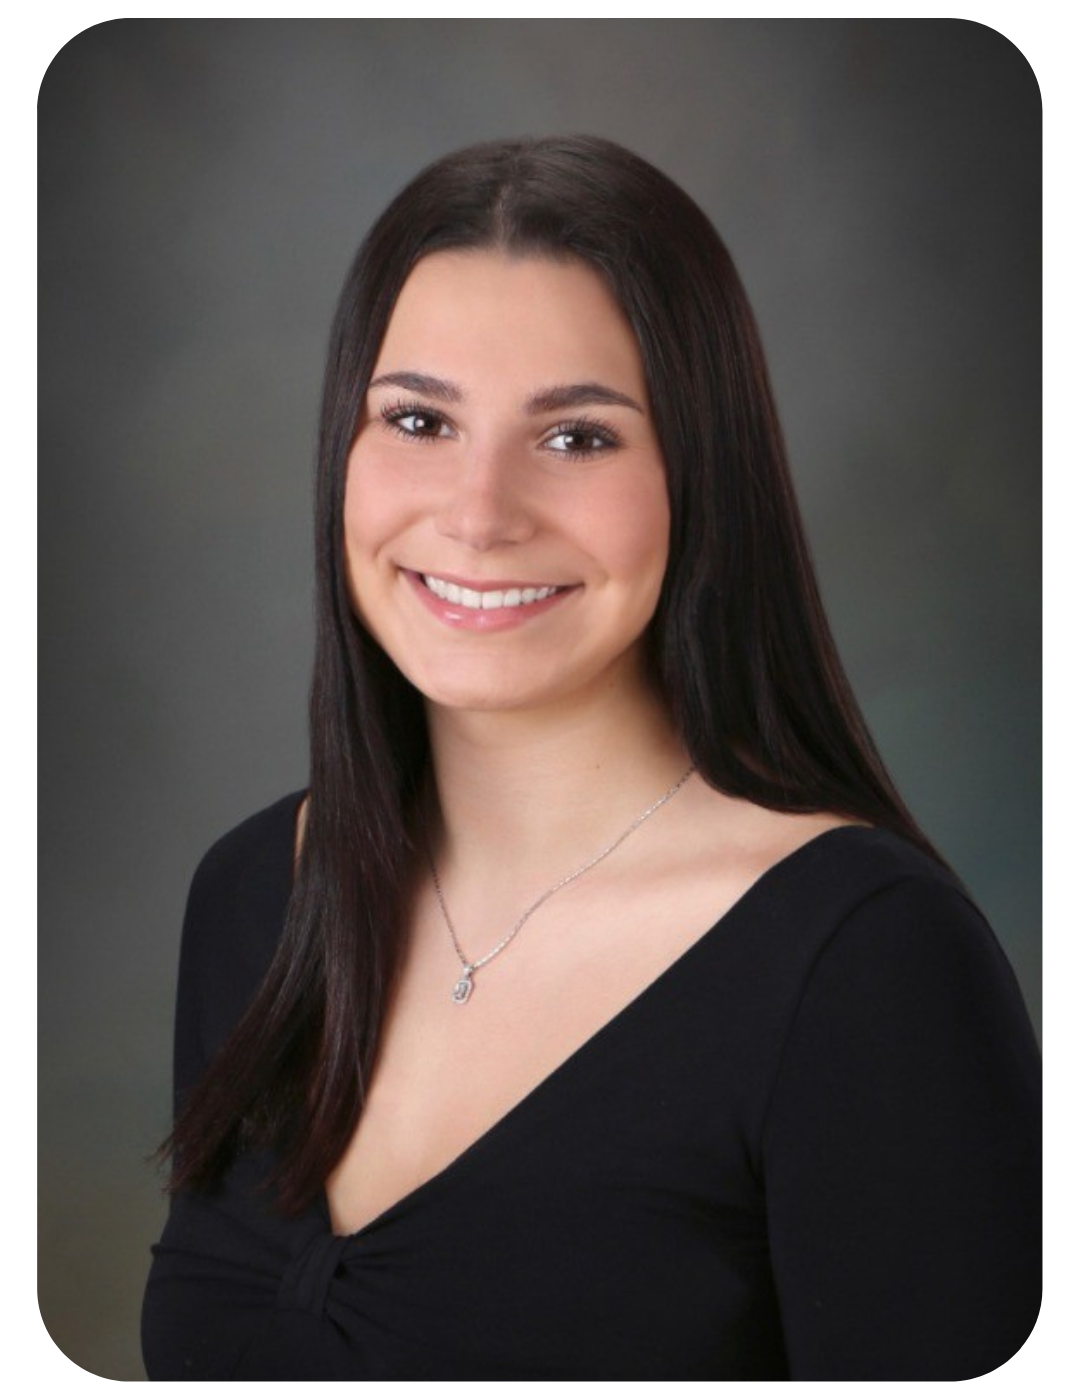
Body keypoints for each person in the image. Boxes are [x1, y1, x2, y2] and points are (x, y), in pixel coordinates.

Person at [141, 136, 1040, 1381]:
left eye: (576, 438)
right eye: (417, 419)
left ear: (701, 475)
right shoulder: (252, 894)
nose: (477, 511)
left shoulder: (867, 962)